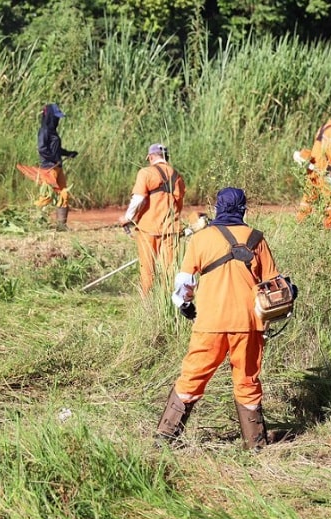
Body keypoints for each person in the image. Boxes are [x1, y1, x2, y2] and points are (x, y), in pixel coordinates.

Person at [156, 187, 294, 451]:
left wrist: (184, 305)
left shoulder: (201, 239)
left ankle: (165, 437)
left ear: (218, 207)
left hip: (210, 323)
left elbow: (185, 282)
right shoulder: (257, 239)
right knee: (247, 380)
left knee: (192, 376)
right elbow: (274, 285)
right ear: (243, 208)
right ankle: (254, 443)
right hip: (249, 324)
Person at [119, 144, 186, 295]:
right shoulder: (176, 175)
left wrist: (127, 217)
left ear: (151, 157)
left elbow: (139, 198)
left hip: (147, 228)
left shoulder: (146, 172)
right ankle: (168, 300)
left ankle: (146, 300)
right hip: (170, 228)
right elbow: (179, 203)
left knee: (147, 268)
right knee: (169, 268)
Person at [294, 106, 331, 230]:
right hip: (322, 168)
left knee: (309, 196)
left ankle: (300, 224)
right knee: (330, 198)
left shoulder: (324, 127)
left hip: (313, 166)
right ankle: (329, 227)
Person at [38, 103, 78, 230]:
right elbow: (42, 149)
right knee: (46, 196)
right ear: (50, 116)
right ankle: (37, 221)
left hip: (58, 167)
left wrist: (68, 153)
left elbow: (56, 149)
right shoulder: (44, 130)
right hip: (49, 168)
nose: (57, 120)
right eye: (55, 117)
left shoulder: (52, 131)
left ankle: (61, 225)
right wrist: (53, 159)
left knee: (64, 193)